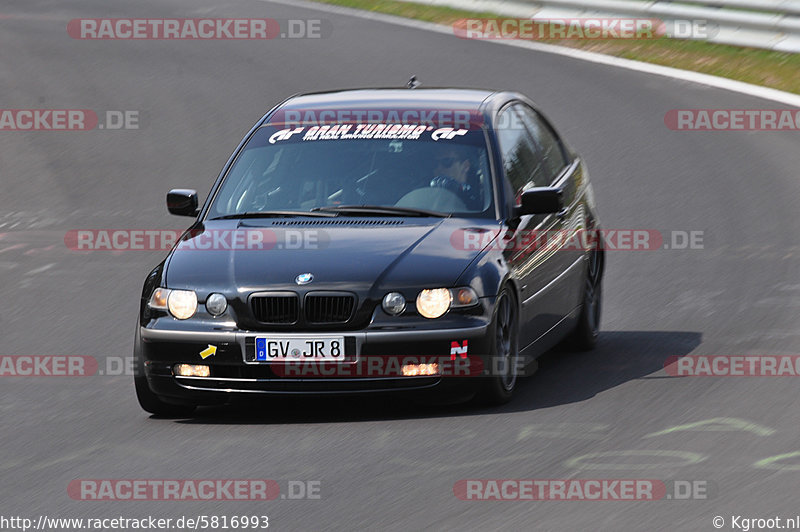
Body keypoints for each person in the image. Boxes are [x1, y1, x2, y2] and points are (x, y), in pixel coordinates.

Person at [429, 146, 481, 210]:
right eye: (435, 163)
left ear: (465, 166)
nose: (439, 168)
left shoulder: (481, 196)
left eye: (447, 161)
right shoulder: (426, 196)